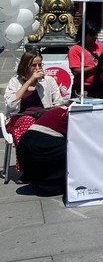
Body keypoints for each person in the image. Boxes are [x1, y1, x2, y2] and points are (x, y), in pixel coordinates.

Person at [4, 50, 70, 191]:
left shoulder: (48, 81)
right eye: (34, 65)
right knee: (29, 122)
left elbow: (59, 101)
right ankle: (27, 167)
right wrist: (29, 81)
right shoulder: (15, 82)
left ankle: (51, 166)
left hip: (42, 116)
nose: (38, 68)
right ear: (25, 66)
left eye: (40, 64)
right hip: (19, 117)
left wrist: (53, 108)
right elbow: (11, 104)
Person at [68, 20, 103, 96]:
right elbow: (76, 71)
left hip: (100, 86)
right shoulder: (75, 49)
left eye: (96, 34)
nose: (96, 37)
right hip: (83, 88)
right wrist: (95, 67)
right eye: (92, 35)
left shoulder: (101, 47)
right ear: (84, 34)